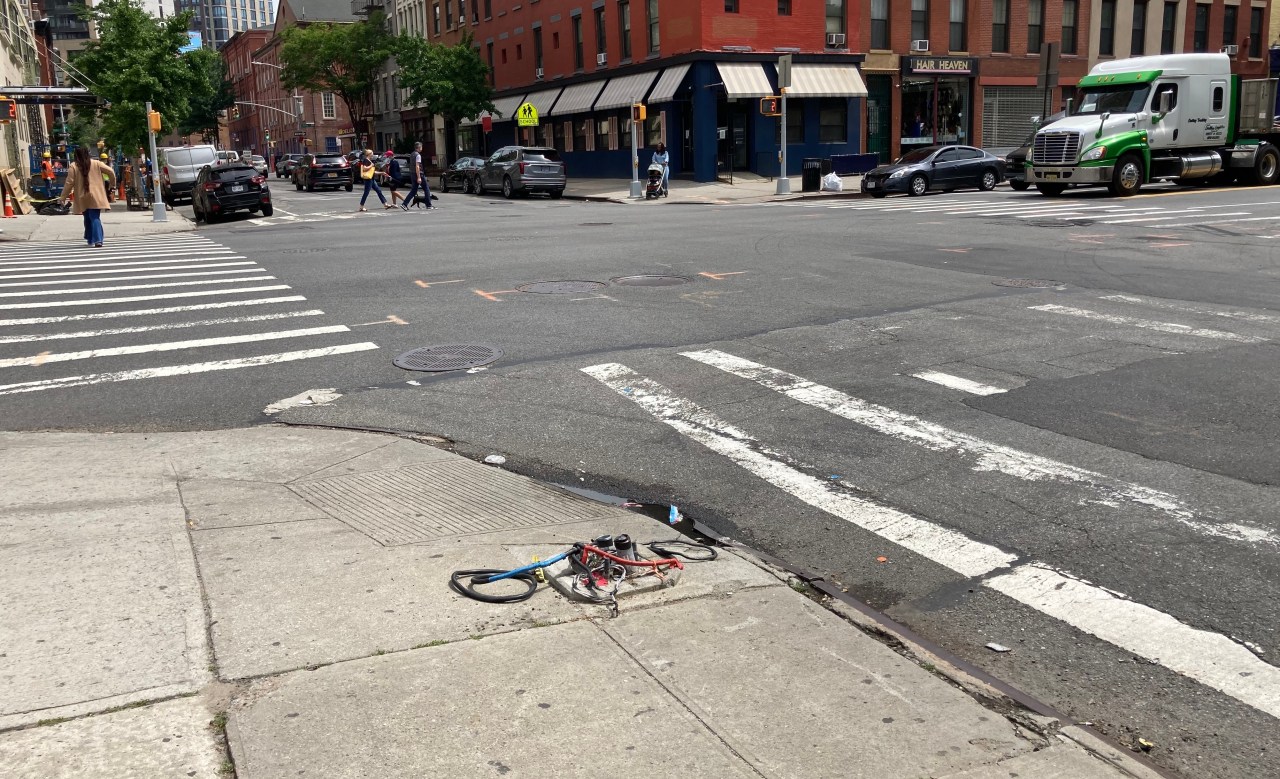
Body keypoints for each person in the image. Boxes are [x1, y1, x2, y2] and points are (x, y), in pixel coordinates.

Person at [60, 145, 115, 248]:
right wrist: (112, 184)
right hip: (96, 195)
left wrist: (63, 197)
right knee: (94, 217)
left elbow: (69, 183)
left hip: (82, 196)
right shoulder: (96, 163)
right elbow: (111, 171)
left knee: (87, 217)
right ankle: (97, 239)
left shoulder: (73, 166)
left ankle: (91, 238)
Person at [401, 140, 434, 210]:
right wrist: (419, 177)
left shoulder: (412, 154)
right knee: (426, 189)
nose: (422, 148)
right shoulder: (418, 155)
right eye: (421, 147)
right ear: (419, 147)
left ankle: (404, 204)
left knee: (413, 190)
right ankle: (429, 205)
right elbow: (417, 166)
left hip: (412, 174)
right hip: (419, 174)